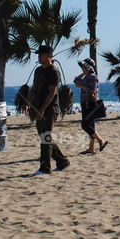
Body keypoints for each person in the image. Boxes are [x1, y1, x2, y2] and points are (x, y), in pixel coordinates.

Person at [29, 44, 70, 175]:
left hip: (50, 108)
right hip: (38, 106)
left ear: (49, 56)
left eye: (42, 54)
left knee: (45, 137)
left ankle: (45, 168)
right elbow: (34, 88)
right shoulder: (38, 70)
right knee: (44, 137)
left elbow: (52, 93)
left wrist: (42, 110)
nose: (39, 57)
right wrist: (29, 101)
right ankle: (62, 161)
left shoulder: (53, 71)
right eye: (39, 55)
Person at [74, 58, 109, 154]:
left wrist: (82, 86)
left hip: (90, 103)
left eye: (84, 67)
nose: (82, 69)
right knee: (91, 126)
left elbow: (92, 90)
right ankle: (91, 148)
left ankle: (100, 140)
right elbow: (75, 81)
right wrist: (83, 75)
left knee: (85, 125)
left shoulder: (93, 77)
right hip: (85, 103)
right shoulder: (87, 76)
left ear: (88, 67)